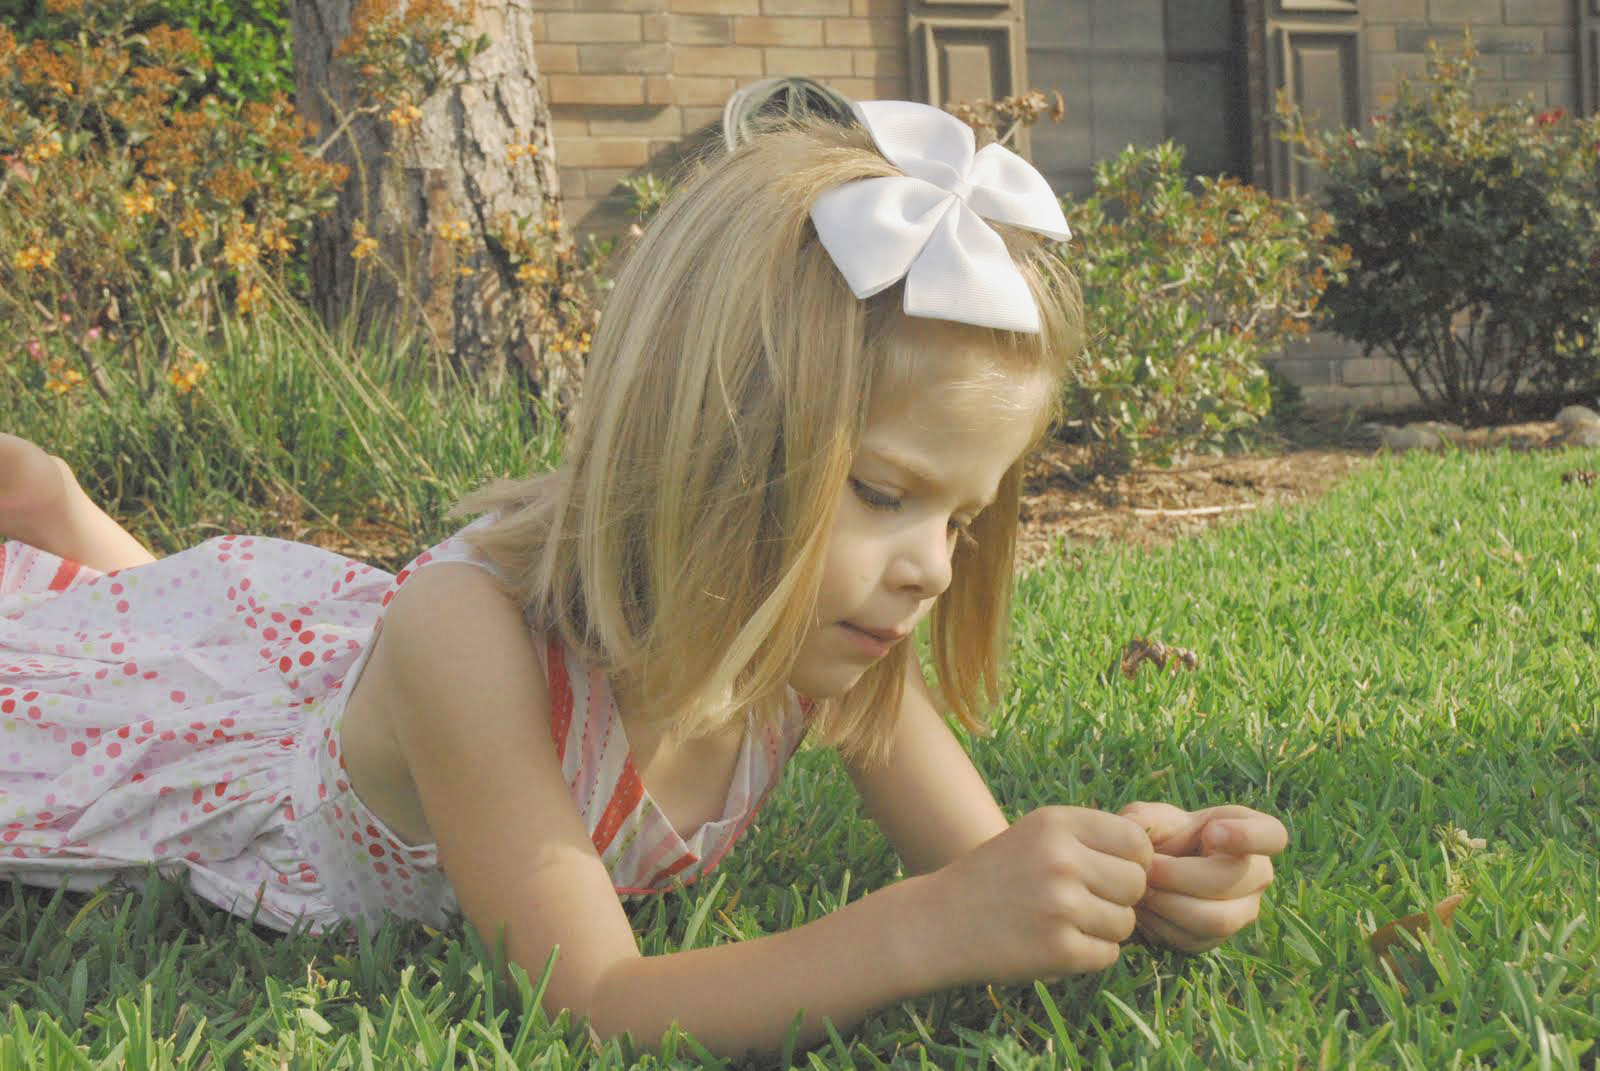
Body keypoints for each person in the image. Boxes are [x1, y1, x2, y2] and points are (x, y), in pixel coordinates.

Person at [0, 102, 1286, 1059]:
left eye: (963, 516)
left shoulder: (828, 632)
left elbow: (989, 870)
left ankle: (72, 527)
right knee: (93, 671)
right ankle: (58, 521)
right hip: (295, 749)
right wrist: (921, 928)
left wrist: (1134, 885)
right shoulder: (466, 637)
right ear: (703, 442)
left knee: (168, 633)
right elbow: (598, 1004)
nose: (929, 570)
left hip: (328, 671)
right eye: (886, 493)